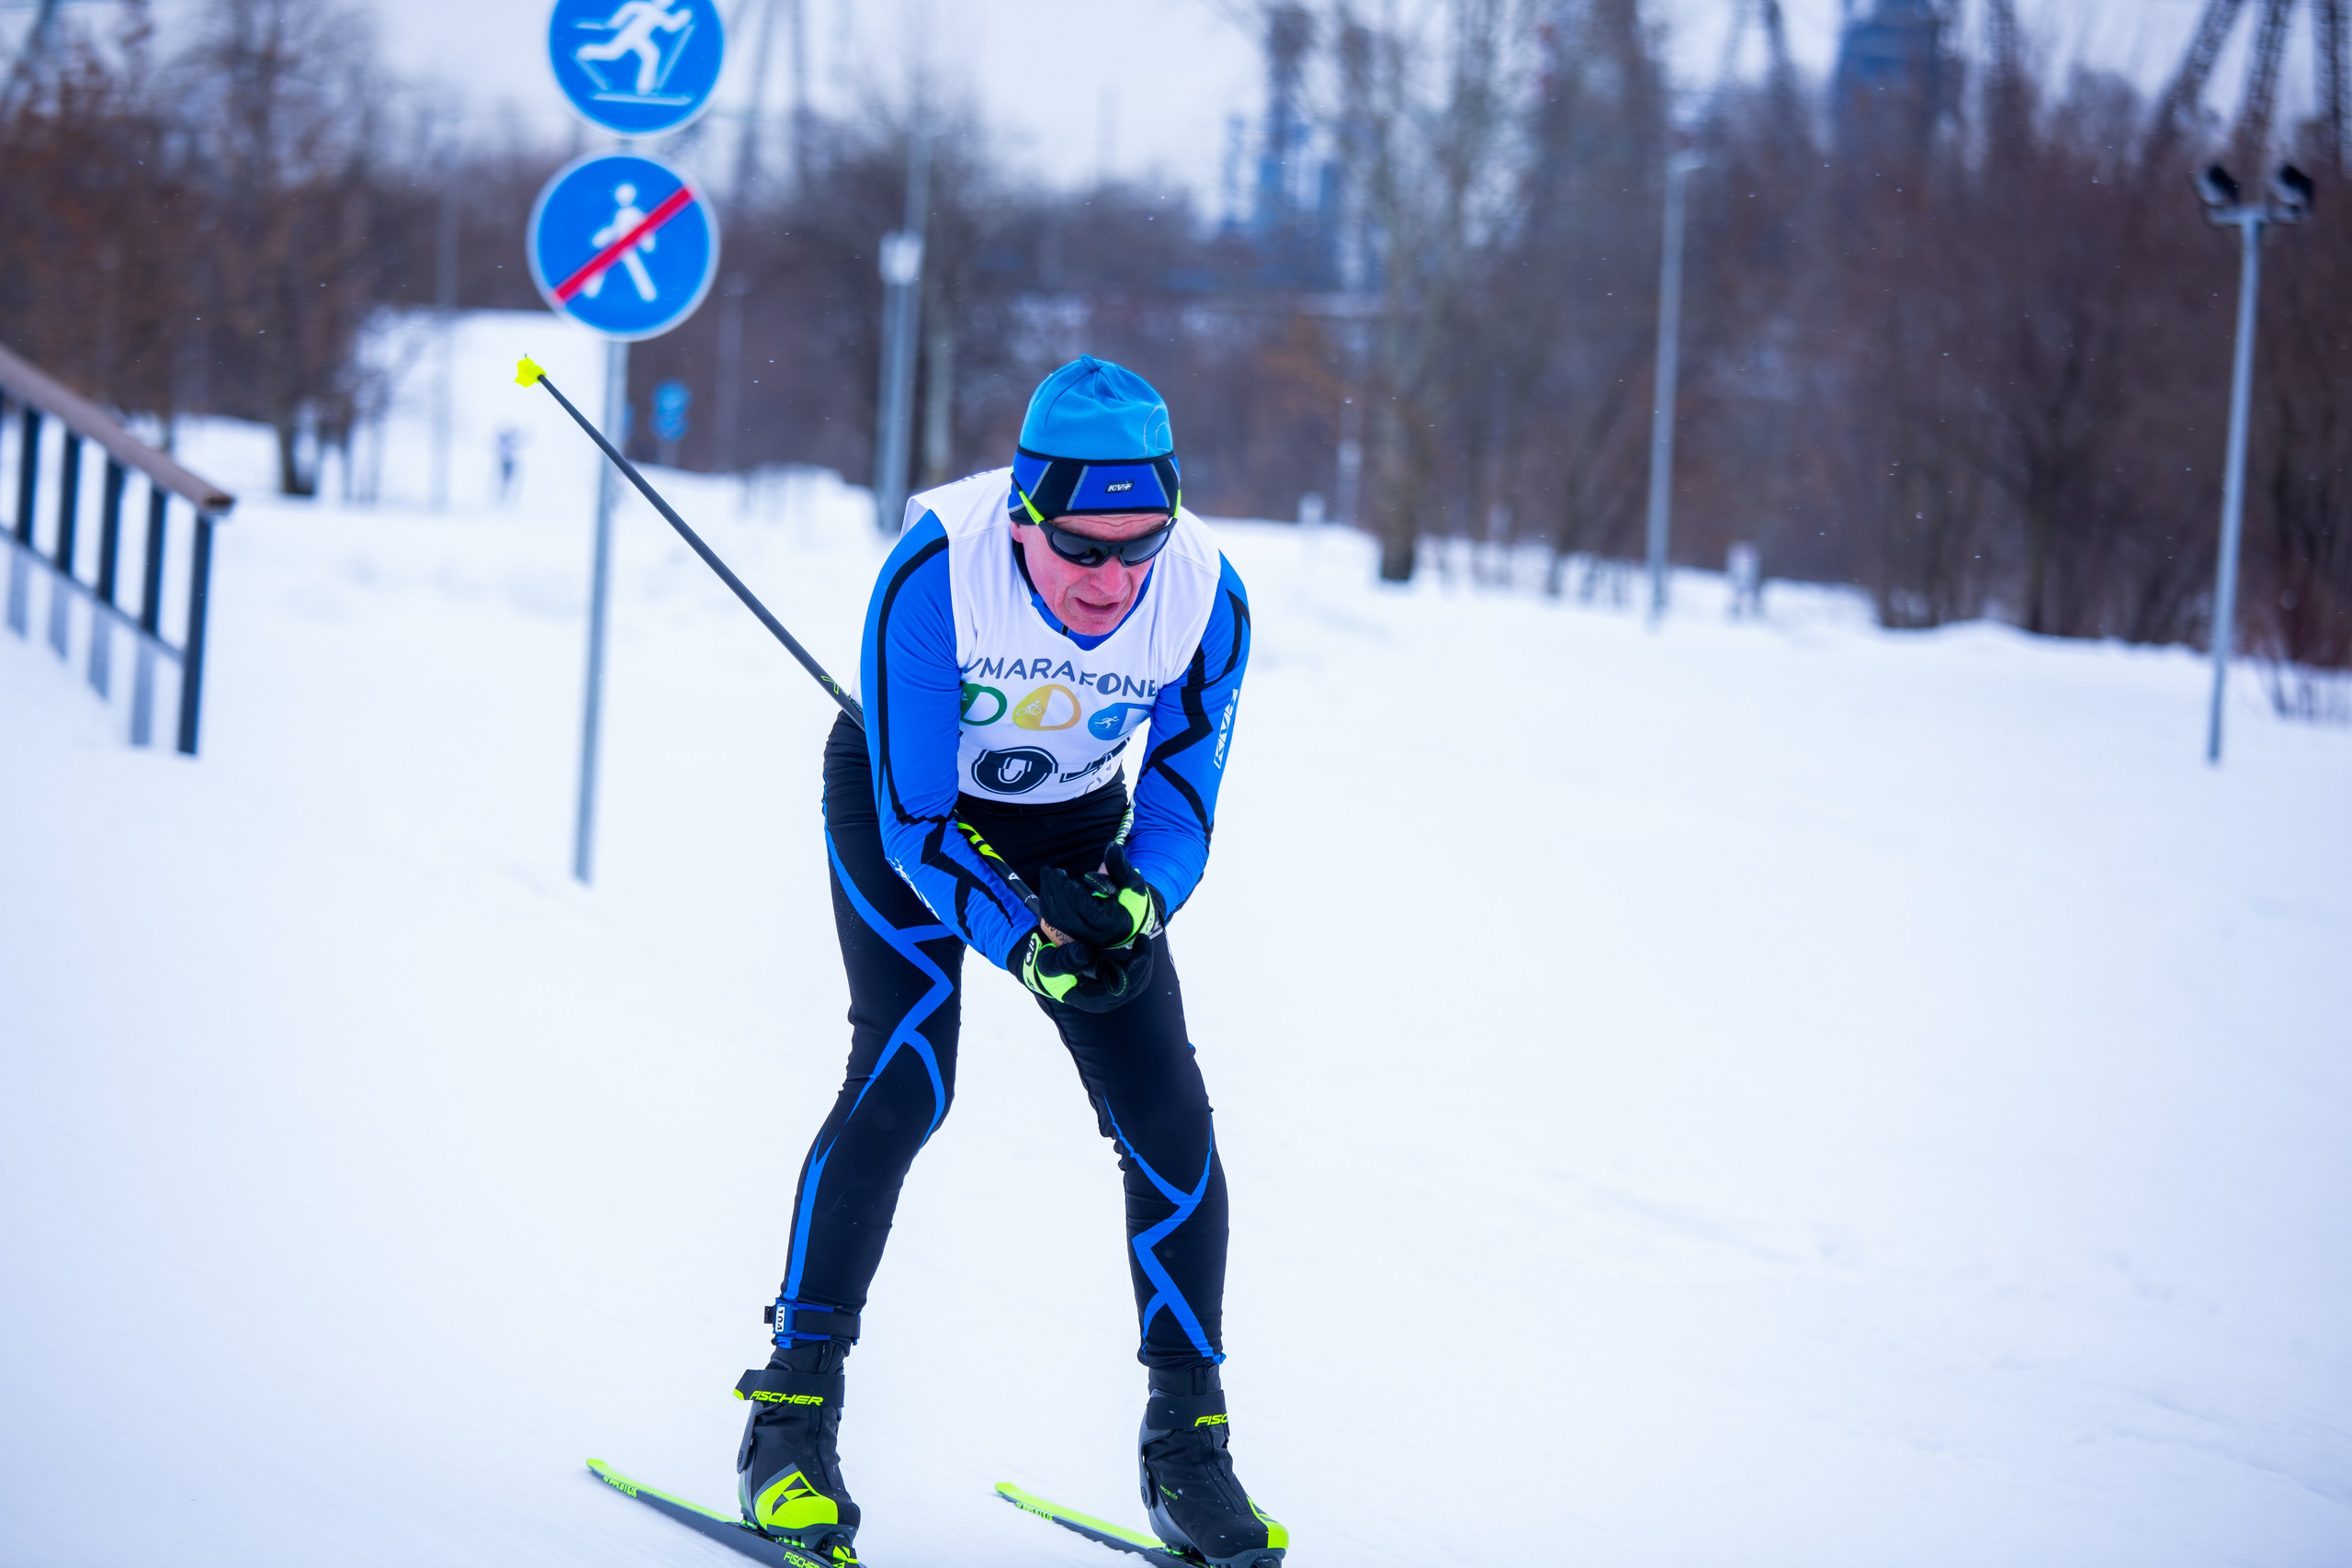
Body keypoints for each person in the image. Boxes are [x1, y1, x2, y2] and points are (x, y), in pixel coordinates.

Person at [729, 357, 1280, 1568]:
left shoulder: (1205, 598)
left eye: (1139, 546)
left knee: (1169, 1123)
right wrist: (1024, 938)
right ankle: (789, 1421)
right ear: (1028, 513)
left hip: (1078, 827)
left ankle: (1188, 1451)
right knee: (909, 1077)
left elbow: (1185, 800)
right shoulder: (938, 570)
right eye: (1083, 547)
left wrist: (1135, 901)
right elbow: (920, 817)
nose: (1111, 580)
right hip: (907, 813)